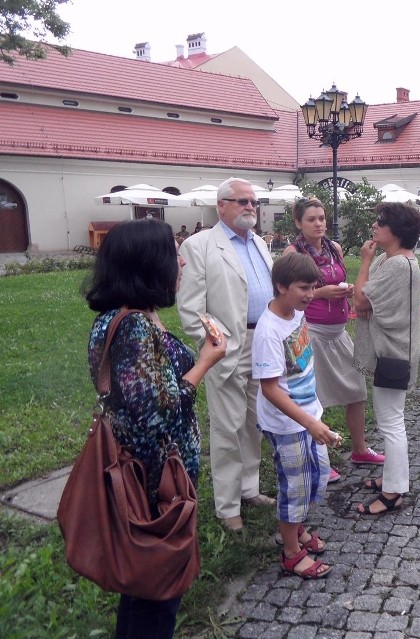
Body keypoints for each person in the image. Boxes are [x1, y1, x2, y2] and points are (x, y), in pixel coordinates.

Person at [84, 218, 227, 638]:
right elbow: (155, 415)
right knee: (158, 590)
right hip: (153, 485)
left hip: (150, 477)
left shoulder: (135, 317)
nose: (181, 261)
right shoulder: (134, 327)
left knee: (143, 585)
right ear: (149, 263)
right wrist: (204, 363)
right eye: (173, 253)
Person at [177, 177, 275, 532]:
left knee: (254, 423)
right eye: (241, 201)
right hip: (227, 347)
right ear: (221, 206)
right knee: (227, 427)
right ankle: (227, 507)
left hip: (263, 343)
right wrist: (218, 342)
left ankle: (249, 487)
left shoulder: (260, 243)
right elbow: (191, 310)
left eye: (253, 201)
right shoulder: (199, 245)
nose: (250, 206)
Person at [284, 197, 383, 482]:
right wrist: (321, 293)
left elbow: (338, 278)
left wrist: (348, 290)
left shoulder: (334, 248)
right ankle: (319, 461)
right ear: (298, 223)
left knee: (357, 389)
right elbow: (287, 295)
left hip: (338, 332)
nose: (318, 224)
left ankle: (360, 449)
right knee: (314, 399)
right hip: (312, 331)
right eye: (311, 219)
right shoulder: (293, 253)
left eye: (322, 218)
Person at [252, 252, 338, 580]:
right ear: (281, 286)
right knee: (295, 488)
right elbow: (271, 390)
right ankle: (290, 552)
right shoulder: (268, 330)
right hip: (289, 424)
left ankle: (296, 528)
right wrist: (310, 423)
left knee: (315, 476)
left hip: (307, 415)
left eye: (313, 287)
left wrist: (313, 416)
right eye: (303, 288)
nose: (310, 294)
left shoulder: (295, 312)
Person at [353, 202, 420, 514]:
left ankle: (393, 491)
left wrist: (364, 261)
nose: (374, 226)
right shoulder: (392, 258)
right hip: (393, 349)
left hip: (392, 352)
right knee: (392, 420)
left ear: (396, 231)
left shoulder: (396, 264)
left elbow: (360, 300)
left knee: (391, 423)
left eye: (380, 222)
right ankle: (393, 478)